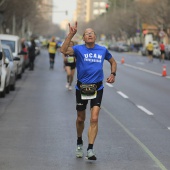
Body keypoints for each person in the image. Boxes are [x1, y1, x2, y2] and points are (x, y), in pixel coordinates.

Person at [60, 22, 117, 160]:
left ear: (95, 37)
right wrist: (71, 34)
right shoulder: (78, 49)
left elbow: (113, 62)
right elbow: (63, 50)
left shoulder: (102, 50)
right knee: (81, 118)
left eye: (92, 33)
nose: (90, 34)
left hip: (97, 87)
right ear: (84, 38)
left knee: (94, 118)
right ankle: (79, 142)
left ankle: (90, 149)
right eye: (87, 33)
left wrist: (113, 74)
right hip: (82, 87)